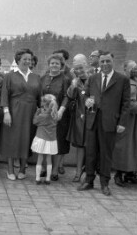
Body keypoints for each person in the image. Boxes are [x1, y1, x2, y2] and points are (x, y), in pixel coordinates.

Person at [78, 51, 130, 196]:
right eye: (102, 62)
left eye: (108, 61)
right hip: (93, 119)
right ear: (99, 63)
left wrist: (122, 123)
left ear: (113, 61)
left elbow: (126, 104)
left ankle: (105, 183)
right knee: (90, 152)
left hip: (110, 121)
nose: (105, 64)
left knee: (106, 153)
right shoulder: (93, 78)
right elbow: (86, 94)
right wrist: (86, 100)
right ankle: (89, 180)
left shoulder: (122, 79)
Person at [0, 48, 42, 181]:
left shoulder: (36, 77)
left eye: (29, 59)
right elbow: (4, 96)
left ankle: (23, 168)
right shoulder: (9, 76)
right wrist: (6, 113)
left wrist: (40, 113)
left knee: (26, 139)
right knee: (12, 139)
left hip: (30, 113)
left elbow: (40, 97)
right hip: (14, 111)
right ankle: (10, 169)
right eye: (24, 59)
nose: (27, 61)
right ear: (18, 60)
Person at [40, 54, 70, 181]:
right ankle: (43, 168)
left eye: (57, 63)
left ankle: (55, 170)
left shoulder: (65, 79)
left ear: (61, 65)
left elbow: (67, 96)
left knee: (58, 142)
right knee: (44, 140)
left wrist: (61, 110)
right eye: (52, 63)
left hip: (58, 116)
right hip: (45, 115)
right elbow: (40, 94)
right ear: (49, 64)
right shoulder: (43, 78)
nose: (54, 65)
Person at [66, 54, 89, 182]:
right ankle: (78, 171)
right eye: (76, 69)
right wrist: (73, 85)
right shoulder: (76, 81)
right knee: (80, 145)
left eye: (81, 68)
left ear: (86, 65)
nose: (79, 71)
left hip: (92, 116)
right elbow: (69, 95)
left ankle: (89, 171)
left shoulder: (94, 79)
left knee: (91, 146)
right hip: (80, 117)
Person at [32, 94, 58, 184]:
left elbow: (35, 121)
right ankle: (47, 179)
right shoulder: (54, 115)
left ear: (44, 103)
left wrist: (37, 112)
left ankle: (38, 178)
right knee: (49, 159)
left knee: (40, 158)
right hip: (51, 140)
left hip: (41, 138)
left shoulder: (43, 115)